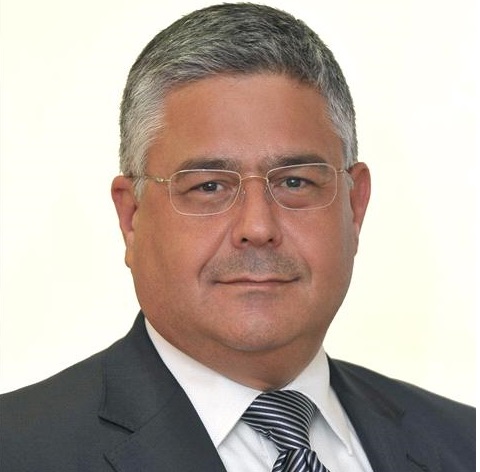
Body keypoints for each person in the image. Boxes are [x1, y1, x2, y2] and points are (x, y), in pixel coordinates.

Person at [0, 3, 474, 471]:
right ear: (132, 216)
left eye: (295, 182)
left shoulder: (464, 442)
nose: (258, 228)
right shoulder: (18, 450)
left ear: (355, 205)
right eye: (208, 187)